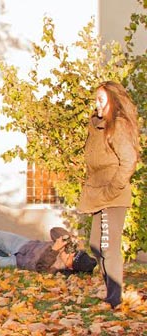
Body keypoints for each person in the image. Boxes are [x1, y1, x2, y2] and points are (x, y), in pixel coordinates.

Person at [77, 81, 140, 309]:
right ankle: (110, 292)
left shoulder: (118, 125)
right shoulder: (97, 125)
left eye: (101, 99)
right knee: (95, 244)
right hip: (98, 193)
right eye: (96, 99)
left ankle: (114, 298)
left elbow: (129, 161)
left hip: (113, 194)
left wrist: (113, 189)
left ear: (113, 101)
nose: (97, 104)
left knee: (107, 245)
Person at [0, 229, 98, 275]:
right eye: (72, 253)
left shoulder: (60, 271)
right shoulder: (66, 247)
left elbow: (41, 268)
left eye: (70, 258)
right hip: (25, 245)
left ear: (70, 267)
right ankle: (0, 257)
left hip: (18, 262)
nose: (68, 254)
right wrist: (66, 237)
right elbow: (53, 230)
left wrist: (54, 250)